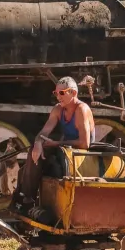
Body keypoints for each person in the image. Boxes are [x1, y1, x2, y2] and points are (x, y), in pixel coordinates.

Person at [12, 76, 95, 213]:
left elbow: (84, 143)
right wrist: (38, 143)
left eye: (62, 93)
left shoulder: (81, 109)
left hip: (80, 153)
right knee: (31, 159)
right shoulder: (58, 109)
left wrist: (56, 143)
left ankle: (27, 200)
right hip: (65, 149)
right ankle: (27, 199)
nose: (58, 96)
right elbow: (44, 132)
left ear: (73, 93)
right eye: (56, 93)